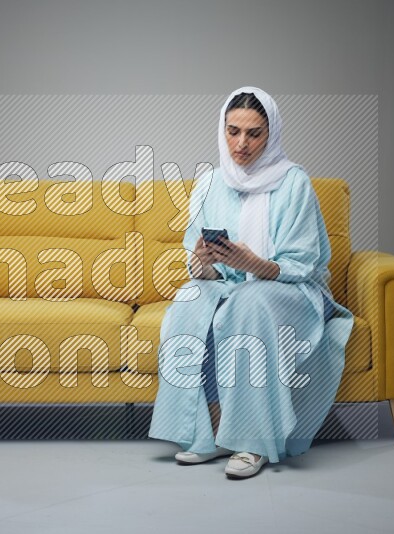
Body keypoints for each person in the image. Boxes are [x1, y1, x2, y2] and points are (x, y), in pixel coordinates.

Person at [147, 86, 355, 479]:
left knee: (249, 302)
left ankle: (252, 441)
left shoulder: (293, 183)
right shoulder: (211, 183)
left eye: (254, 133)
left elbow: (302, 264)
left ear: (271, 134)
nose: (241, 143)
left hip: (291, 289)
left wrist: (255, 264)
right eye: (233, 131)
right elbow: (204, 266)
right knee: (192, 299)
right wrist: (204, 262)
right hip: (231, 284)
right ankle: (211, 433)